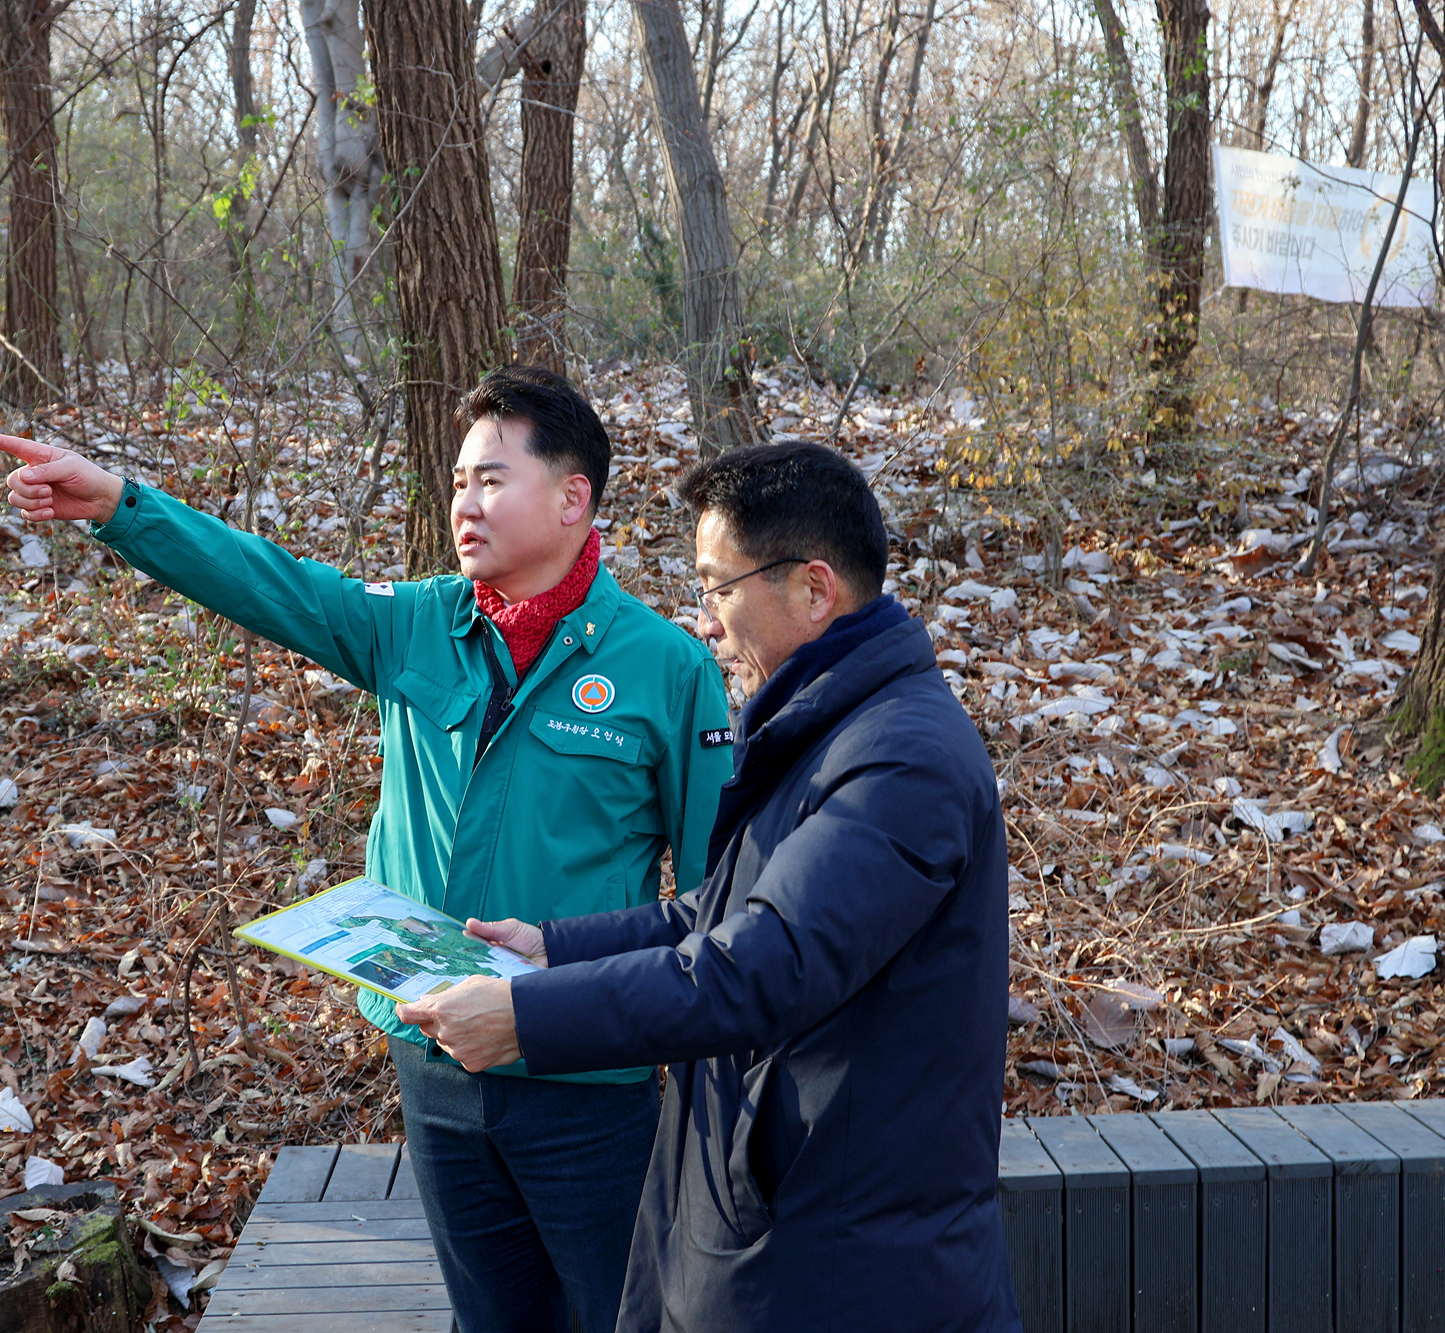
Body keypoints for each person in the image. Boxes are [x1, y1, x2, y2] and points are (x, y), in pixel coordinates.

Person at [0, 366, 735, 1333]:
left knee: (619, 1318)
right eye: (459, 480)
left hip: (585, 1079)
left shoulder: (663, 668)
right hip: (433, 1057)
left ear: (572, 498)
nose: (465, 501)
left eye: (493, 479)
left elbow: (715, 902)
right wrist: (122, 508)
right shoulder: (413, 623)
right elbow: (267, 583)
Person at [400, 440, 1022, 1332]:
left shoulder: (902, 759)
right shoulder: (822, 723)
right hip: (777, 1222)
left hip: (848, 1262)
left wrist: (527, 1020)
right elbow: (725, 909)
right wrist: (551, 946)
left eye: (718, 588)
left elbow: (757, 966)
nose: (707, 622)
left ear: (814, 589)